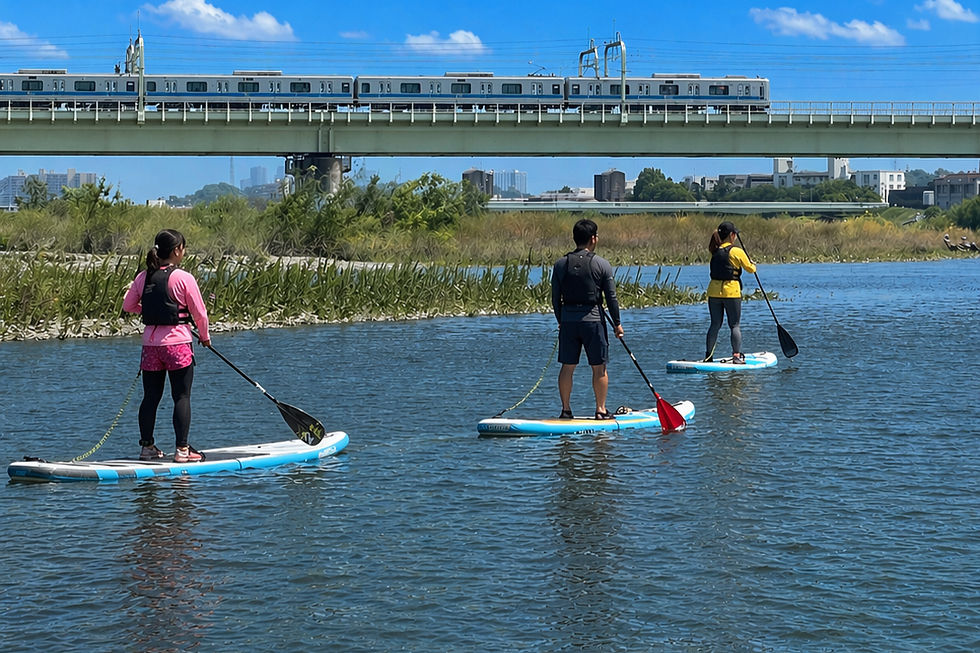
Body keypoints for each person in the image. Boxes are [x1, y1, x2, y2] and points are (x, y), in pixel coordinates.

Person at [123, 229, 211, 463]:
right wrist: (204, 337)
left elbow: (128, 305)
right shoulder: (184, 278)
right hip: (177, 344)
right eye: (183, 248)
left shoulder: (143, 277)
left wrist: (151, 311)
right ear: (177, 250)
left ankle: (147, 448)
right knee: (181, 396)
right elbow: (200, 313)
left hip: (151, 346)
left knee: (150, 397)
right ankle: (182, 450)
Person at [551, 218, 625, 420]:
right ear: (593, 239)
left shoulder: (560, 264)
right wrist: (617, 324)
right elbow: (611, 298)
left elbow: (555, 298)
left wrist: (561, 320)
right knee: (599, 367)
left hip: (568, 322)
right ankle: (600, 410)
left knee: (567, 366)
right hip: (593, 321)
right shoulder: (602, 264)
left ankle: (566, 410)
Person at [704, 221, 756, 364]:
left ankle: (708, 356)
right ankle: (736, 356)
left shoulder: (714, 250)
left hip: (713, 292)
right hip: (731, 292)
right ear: (732, 235)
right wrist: (752, 263)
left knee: (715, 324)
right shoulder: (736, 251)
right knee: (734, 325)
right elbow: (751, 269)